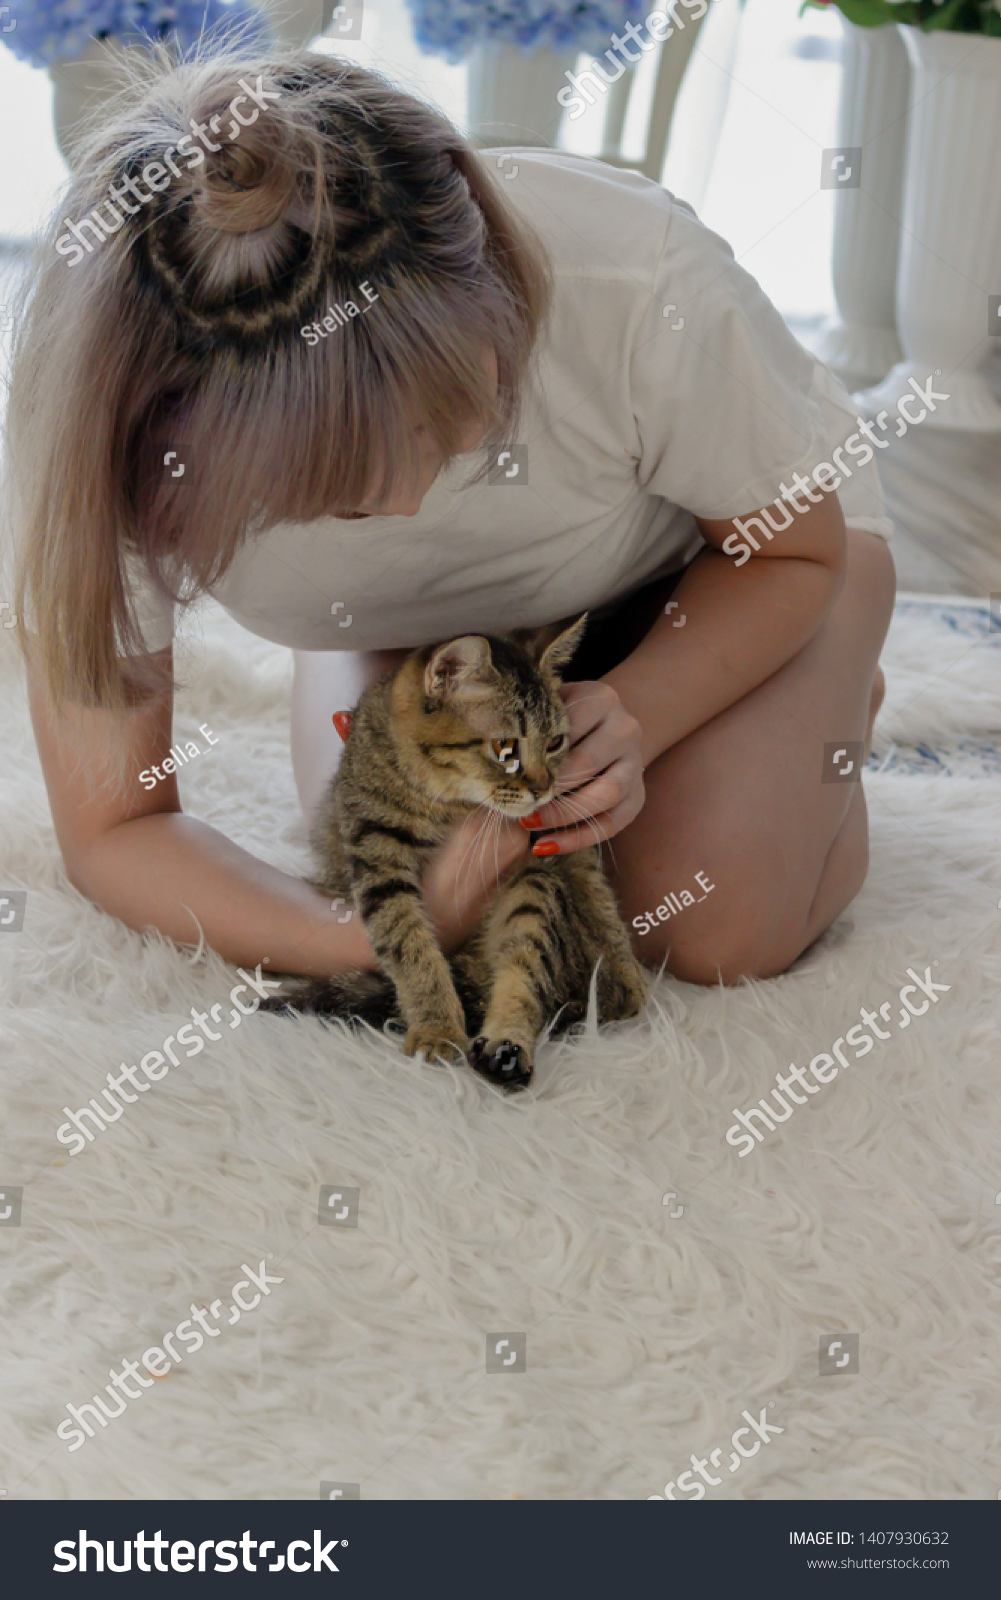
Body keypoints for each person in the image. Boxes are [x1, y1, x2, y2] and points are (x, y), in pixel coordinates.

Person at [4, 44, 895, 995]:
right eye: (330, 492)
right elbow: (116, 833)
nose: (399, 506)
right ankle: (358, 658)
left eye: (439, 432)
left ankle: (829, 693)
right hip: (430, 648)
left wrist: (645, 710)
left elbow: (792, 550)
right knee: (397, 869)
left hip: (733, 567)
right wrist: (371, 937)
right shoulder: (100, 431)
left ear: (491, 298)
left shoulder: (634, 275)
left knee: (711, 922)